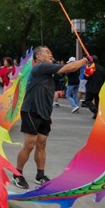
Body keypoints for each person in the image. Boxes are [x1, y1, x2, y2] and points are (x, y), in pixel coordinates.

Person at [12, 46, 88, 189]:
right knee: (30, 144)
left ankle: (40, 175)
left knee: (41, 143)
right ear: (38, 57)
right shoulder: (40, 67)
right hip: (31, 110)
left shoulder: (48, 71)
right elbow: (70, 67)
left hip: (44, 113)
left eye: (50, 52)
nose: (50, 54)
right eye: (47, 52)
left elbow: (69, 71)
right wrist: (85, 60)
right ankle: (17, 174)